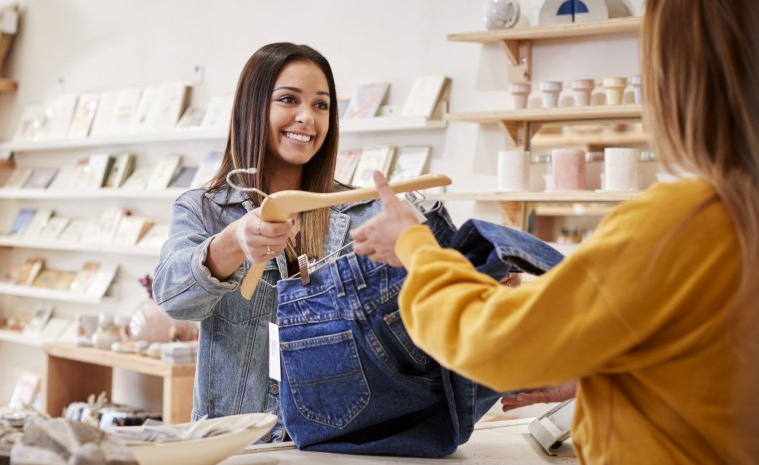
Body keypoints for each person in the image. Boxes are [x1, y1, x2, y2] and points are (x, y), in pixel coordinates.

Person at [349, 1, 759, 463]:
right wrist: (604, 370)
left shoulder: (681, 224)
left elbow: (495, 342)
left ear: (678, 78)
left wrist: (414, 245)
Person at [152, 42, 383, 441]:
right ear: (252, 107)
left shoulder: (363, 213)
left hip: (337, 442)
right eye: (288, 99)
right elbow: (173, 298)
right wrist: (232, 242)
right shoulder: (203, 209)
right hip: (237, 444)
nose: (307, 117)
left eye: (321, 105)